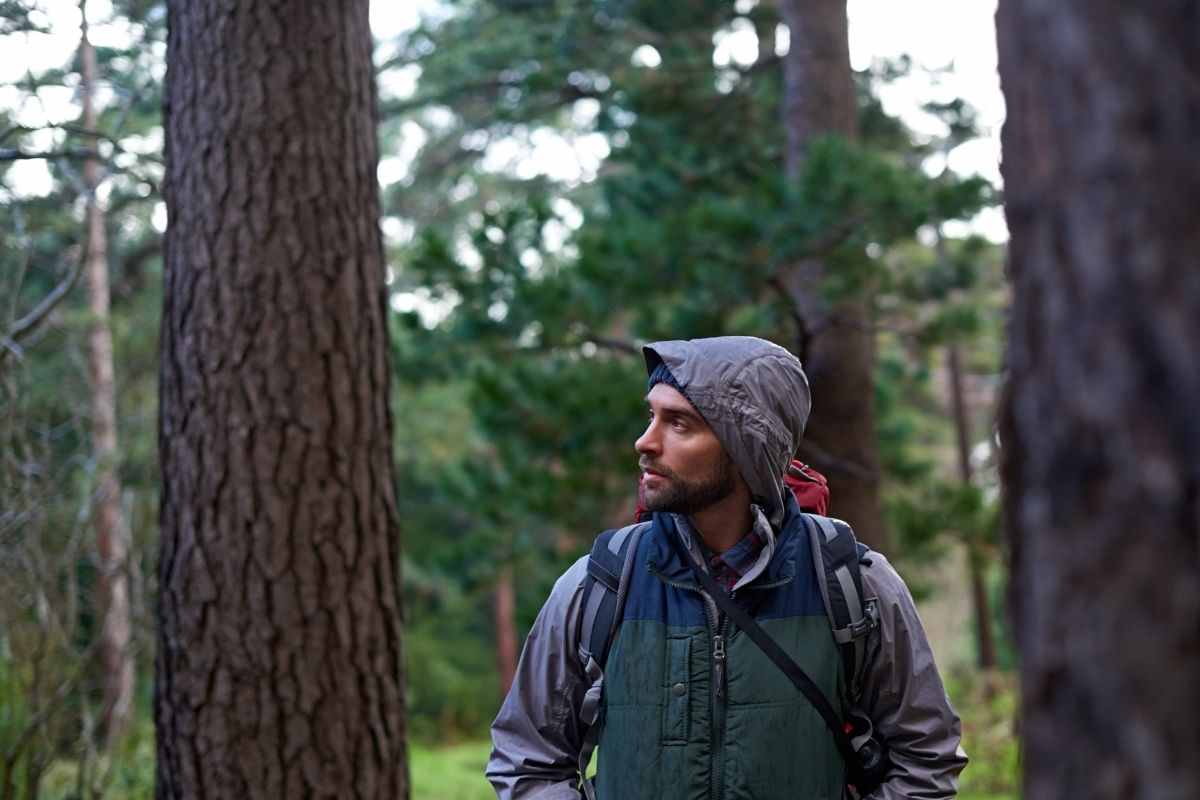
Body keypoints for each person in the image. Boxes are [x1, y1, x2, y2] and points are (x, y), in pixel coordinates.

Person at [487, 336, 967, 799]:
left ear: (746, 447)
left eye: (678, 424)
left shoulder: (853, 584)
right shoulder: (601, 581)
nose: (644, 442)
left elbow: (925, 757)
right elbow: (526, 758)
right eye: (651, 416)